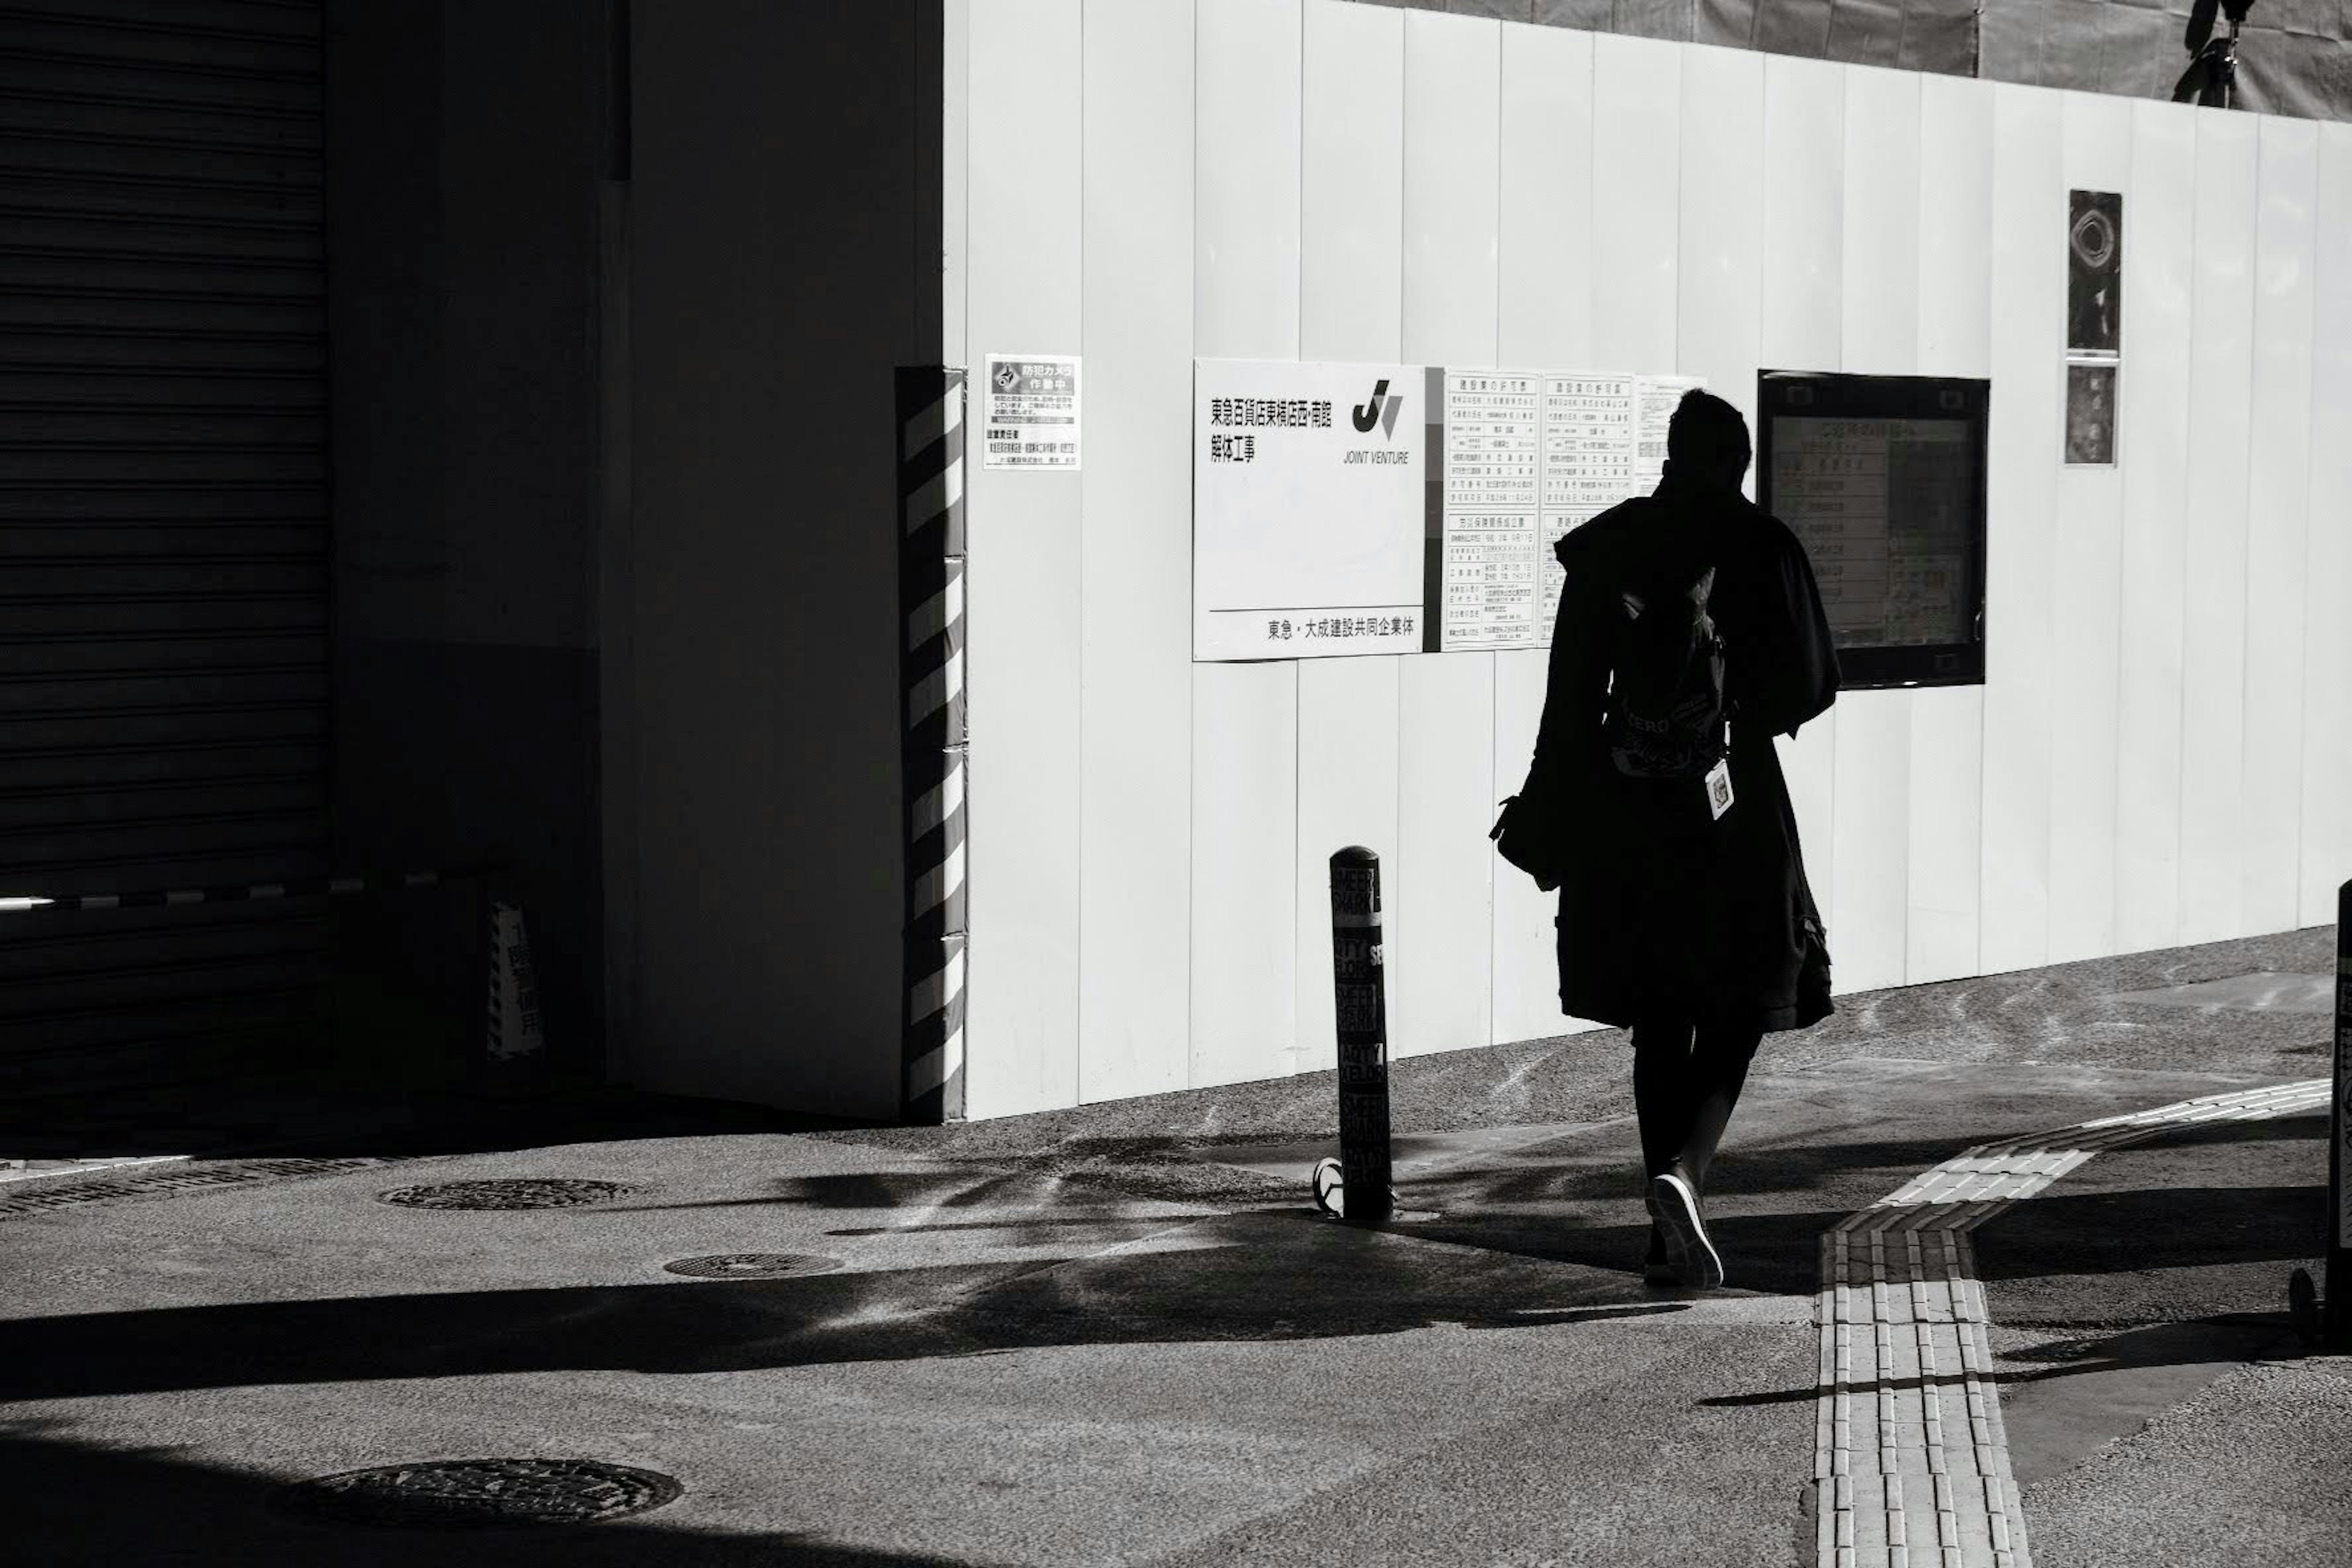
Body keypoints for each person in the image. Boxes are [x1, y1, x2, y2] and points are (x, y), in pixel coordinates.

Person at [1514, 388, 1838, 1289]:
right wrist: (1736, 709)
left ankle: (1665, 1240)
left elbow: (1568, 700)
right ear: (1737, 462)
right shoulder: (1763, 546)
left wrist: (1553, 805)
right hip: (1731, 804)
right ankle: (1686, 1171)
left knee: (1658, 1014)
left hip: (1627, 813)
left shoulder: (1610, 545)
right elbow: (1812, 683)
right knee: (1751, 990)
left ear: (1667, 453)